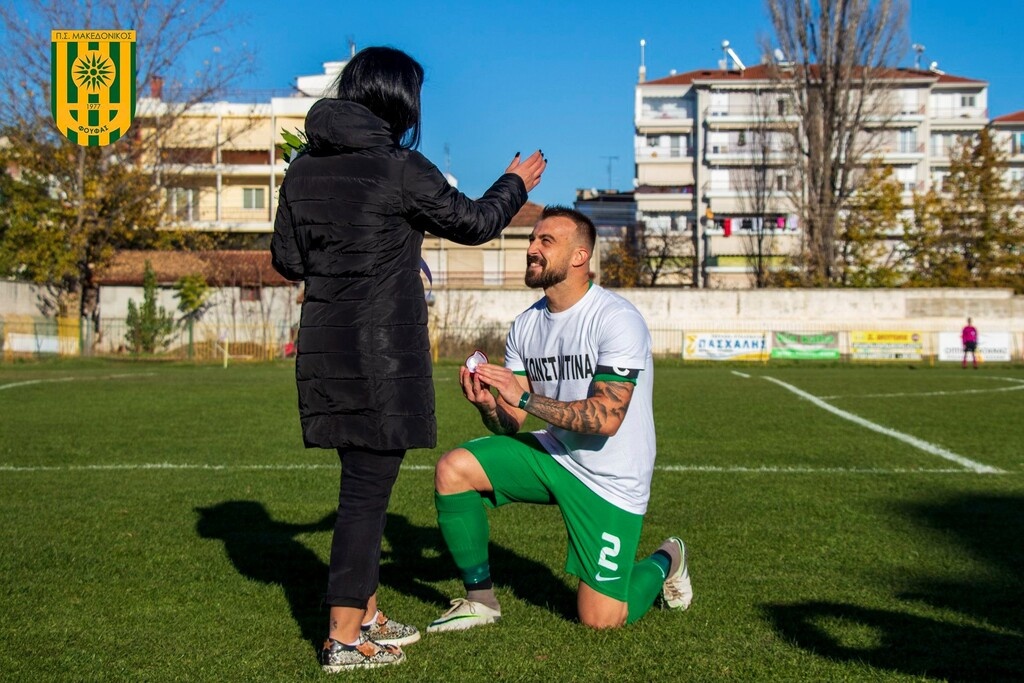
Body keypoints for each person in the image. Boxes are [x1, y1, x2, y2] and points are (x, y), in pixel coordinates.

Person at [270, 46, 546, 672]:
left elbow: (288, 259)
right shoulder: (399, 167)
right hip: (379, 357)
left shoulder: (303, 168)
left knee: (360, 481)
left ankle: (366, 613)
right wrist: (515, 185)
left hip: (325, 351)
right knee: (366, 493)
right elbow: (473, 222)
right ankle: (343, 637)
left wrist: (373, 244)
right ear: (399, 100)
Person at [428, 206, 692, 633]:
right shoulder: (526, 325)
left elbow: (606, 418)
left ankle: (668, 557)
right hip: (558, 452)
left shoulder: (616, 318)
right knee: (453, 469)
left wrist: (523, 396)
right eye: (532, 239)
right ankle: (480, 601)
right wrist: (489, 405)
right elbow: (511, 421)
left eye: (545, 241)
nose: (532, 248)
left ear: (579, 256)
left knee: (601, 620)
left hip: (612, 477)